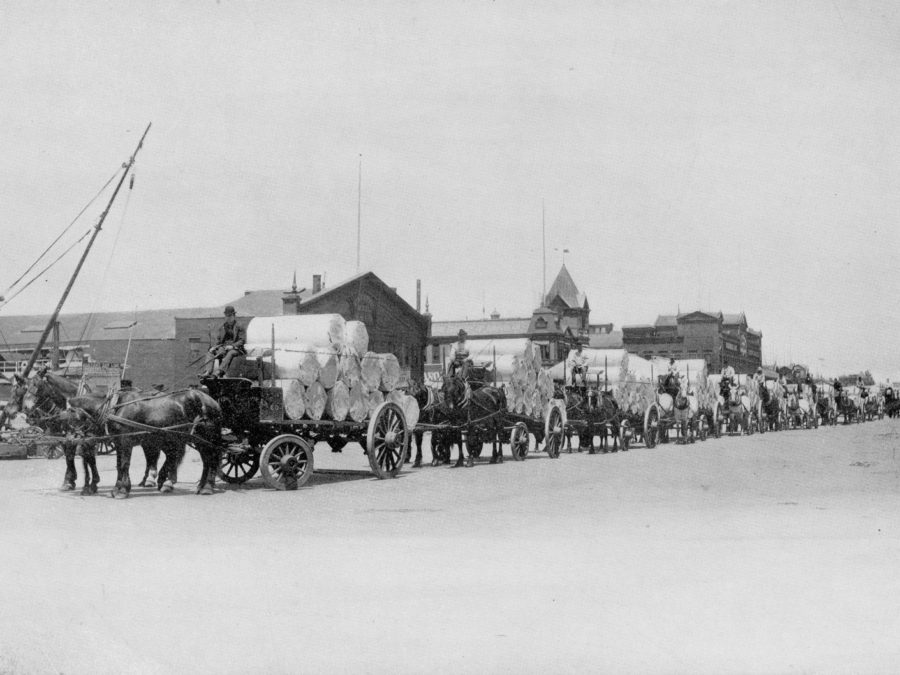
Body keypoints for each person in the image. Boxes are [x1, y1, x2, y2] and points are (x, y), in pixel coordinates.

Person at [202, 305, 246, 378]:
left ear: (234, 316)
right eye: (226, 316)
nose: (228, 318)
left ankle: (219, 372)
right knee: (210, 352)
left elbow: (242, 340)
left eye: (230, 316)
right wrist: (214, 348)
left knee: (231, 352)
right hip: (224, 347)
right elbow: (219, 341)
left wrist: (232, 346)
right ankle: (207, 371)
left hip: (237, 349)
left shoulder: (239, 326)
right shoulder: (223, 327)